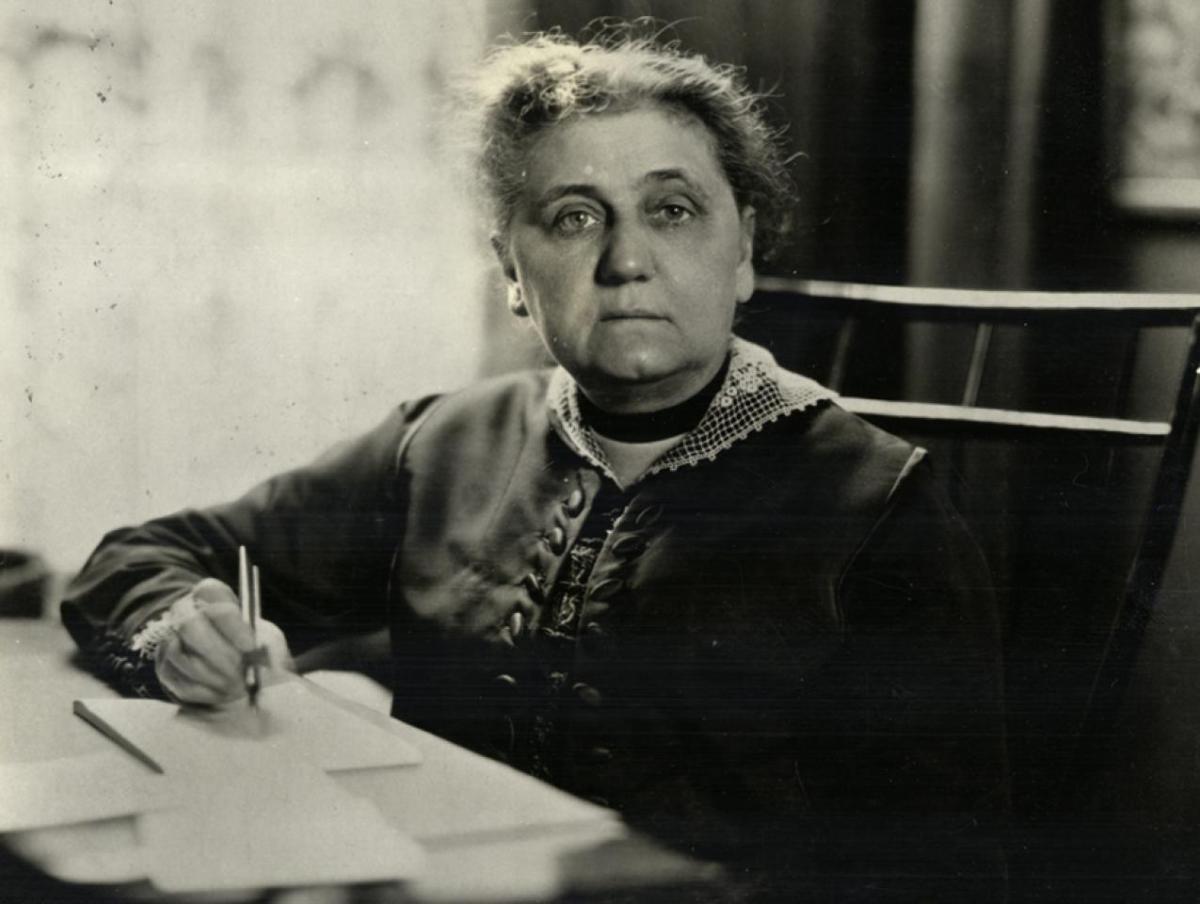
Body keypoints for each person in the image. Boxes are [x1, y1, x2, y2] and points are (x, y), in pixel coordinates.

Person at [61, 27, 1008, 900]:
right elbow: (139, 558)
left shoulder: (880, 505)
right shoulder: (441, 445)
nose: (628, 259)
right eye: (573, 218)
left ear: (745, 250)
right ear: (510, 270)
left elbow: (939, 866)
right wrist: (177, 630)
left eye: (672, 210)